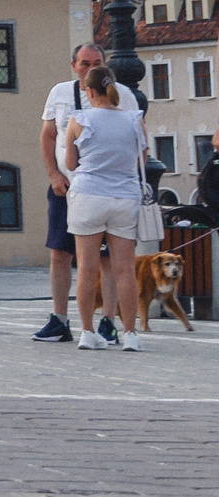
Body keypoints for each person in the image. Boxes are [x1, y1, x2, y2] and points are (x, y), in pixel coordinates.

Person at [34, 43, 142, 343]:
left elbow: (135, 142)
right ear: (73, 66)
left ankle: (104, 321)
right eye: (84, 63)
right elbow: (47, 134)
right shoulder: (59, 93)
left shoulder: (125, 96)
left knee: (103, 263)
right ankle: (59, 318)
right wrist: (54, 174)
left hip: (88, 192)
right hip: (68, 187)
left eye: (96, 62)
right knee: (60, 252)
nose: (90, 67)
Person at [61, 65, 146, 350]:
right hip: (124, 197)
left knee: (87, 268)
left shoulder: (79, 119)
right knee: (124, 270)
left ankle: (87, 332)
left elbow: (71, 164)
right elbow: (141, 160)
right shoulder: (134, 119)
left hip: (88, 196)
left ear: (89, 90)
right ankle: (131, 334)